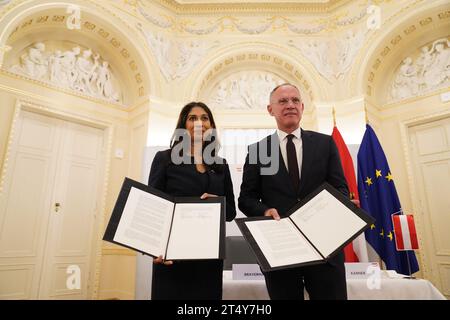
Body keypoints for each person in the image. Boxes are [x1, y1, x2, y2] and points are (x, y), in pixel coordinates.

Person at [238, 83, 349, 300]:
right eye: (282, 101)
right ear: (270, 110)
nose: (290, 105)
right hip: (281, 251)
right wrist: (265, 210)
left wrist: (330, 209)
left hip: (325, 247)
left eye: (295, 100)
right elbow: (246, 198)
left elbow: (341, 189)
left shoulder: (325, 144)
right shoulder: (258, 150)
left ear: (302, 106)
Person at [148, 101, 236, 300]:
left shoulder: (221, 165)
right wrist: (155, 249)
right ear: (183, 125)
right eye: (192, 118)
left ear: (211, 126)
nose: (200, 123)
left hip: (209, 256)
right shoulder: (164, 159)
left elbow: (231, 213)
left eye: (205, 118)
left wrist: (218, 203)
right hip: (172, 256)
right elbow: (153, 207)